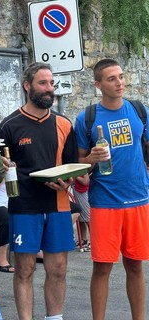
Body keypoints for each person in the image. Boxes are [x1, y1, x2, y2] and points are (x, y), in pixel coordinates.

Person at [0, 62, 78, 320]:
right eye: (43, 83)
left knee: (59, 269)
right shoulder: (9, 125)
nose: (49, 89)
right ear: (27, 85)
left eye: (51, 84)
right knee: (25, 270)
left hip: (58, 205)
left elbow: (73, 167)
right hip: (23, 207)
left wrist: (68, 182)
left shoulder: (64, 124)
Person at [74, 58, 149, 320]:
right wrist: (90, 160)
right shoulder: (87, 118)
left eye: (120, 76)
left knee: (136, 266)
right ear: (98, 84)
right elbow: (78, 163)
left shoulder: (140, 110)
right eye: (111, 78)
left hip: (139, 199)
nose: (119, 82)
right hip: (105, 202)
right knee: (102, 268)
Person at [72, 174, 91, 252]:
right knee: (81, 217)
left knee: (88, 218)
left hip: (82, 191)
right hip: (77, 189)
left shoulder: (81, 167)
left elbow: (85, 181)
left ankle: (93, 241)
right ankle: (83, 239)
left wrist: (74, 175)